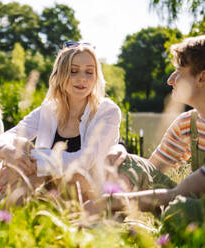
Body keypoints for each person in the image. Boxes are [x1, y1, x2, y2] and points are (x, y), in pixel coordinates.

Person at [86, 35, 205, 229]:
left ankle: (131, 232)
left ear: (202, 77)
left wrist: (112, 201)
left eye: (178, 72)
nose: (170, 80)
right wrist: (122, 153)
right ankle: (103, 228)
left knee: (182, 209)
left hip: (194, 210)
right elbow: (149, 171)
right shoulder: (187, 123)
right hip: (186, 200)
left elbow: (176, 196)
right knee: (131, 164)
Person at [0, 41, 121, 203]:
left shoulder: (107, 111)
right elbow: (11, 134)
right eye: (73, 71)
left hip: (91, 194)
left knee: (43, 177)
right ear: (60, 74)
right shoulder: (49, 109)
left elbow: (84, 161)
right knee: (19, 146)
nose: (82, 78)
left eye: (89, 72)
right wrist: (8, 152)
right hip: (49, 188)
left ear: (96, 77)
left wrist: (29, 164)